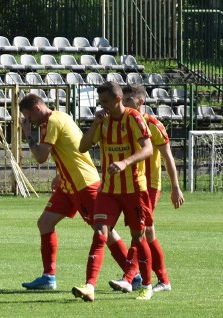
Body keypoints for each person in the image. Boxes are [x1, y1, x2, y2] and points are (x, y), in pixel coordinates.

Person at [18, 94, 135, 290]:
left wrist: (28, 133)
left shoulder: (52, 122)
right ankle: (48, 277)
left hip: (84, 184)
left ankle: (134, 274)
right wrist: (60, 173)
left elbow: (40, 157)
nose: (28, 120)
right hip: (68, 184)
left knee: (104, 229)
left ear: (37, 109)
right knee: (45, 223)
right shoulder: (59, 117)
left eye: (28, 116)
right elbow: (68, 150)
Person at [72, 81, 154, 302]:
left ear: (118, 100)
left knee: (138, 237)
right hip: (108, 189)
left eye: (105, 102)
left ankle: (147, 285)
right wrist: (94, 124)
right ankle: (90, 286)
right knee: (100, 232)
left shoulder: (133, 118)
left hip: (134, 189)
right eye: (100, 103)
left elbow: (148, 148)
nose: (102, 106)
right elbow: (82, 147)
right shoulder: (103, 121)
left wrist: (126, 162)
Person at [108, 84, 185, 293]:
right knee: (148, 233)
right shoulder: (123, 122)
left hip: (148, 184)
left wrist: (175, 187)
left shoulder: (153, 124)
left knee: (139, 231)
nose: (123, 104)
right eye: (122, 100)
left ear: (140, 102)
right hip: (130, 183)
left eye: (127, 100)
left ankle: (129, 277)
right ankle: (164, 281)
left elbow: (168, 157)